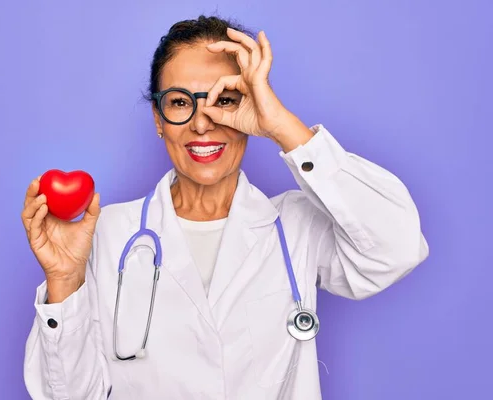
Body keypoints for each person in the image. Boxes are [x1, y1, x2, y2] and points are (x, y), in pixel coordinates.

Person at [21, 15, 429, 400]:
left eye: (225, 99)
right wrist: (64, 280)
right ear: (158, 118)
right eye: (180, 102)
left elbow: (397, 247)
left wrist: (281, 125)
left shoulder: (296, 227)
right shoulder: (107, 234)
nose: (202, 122)